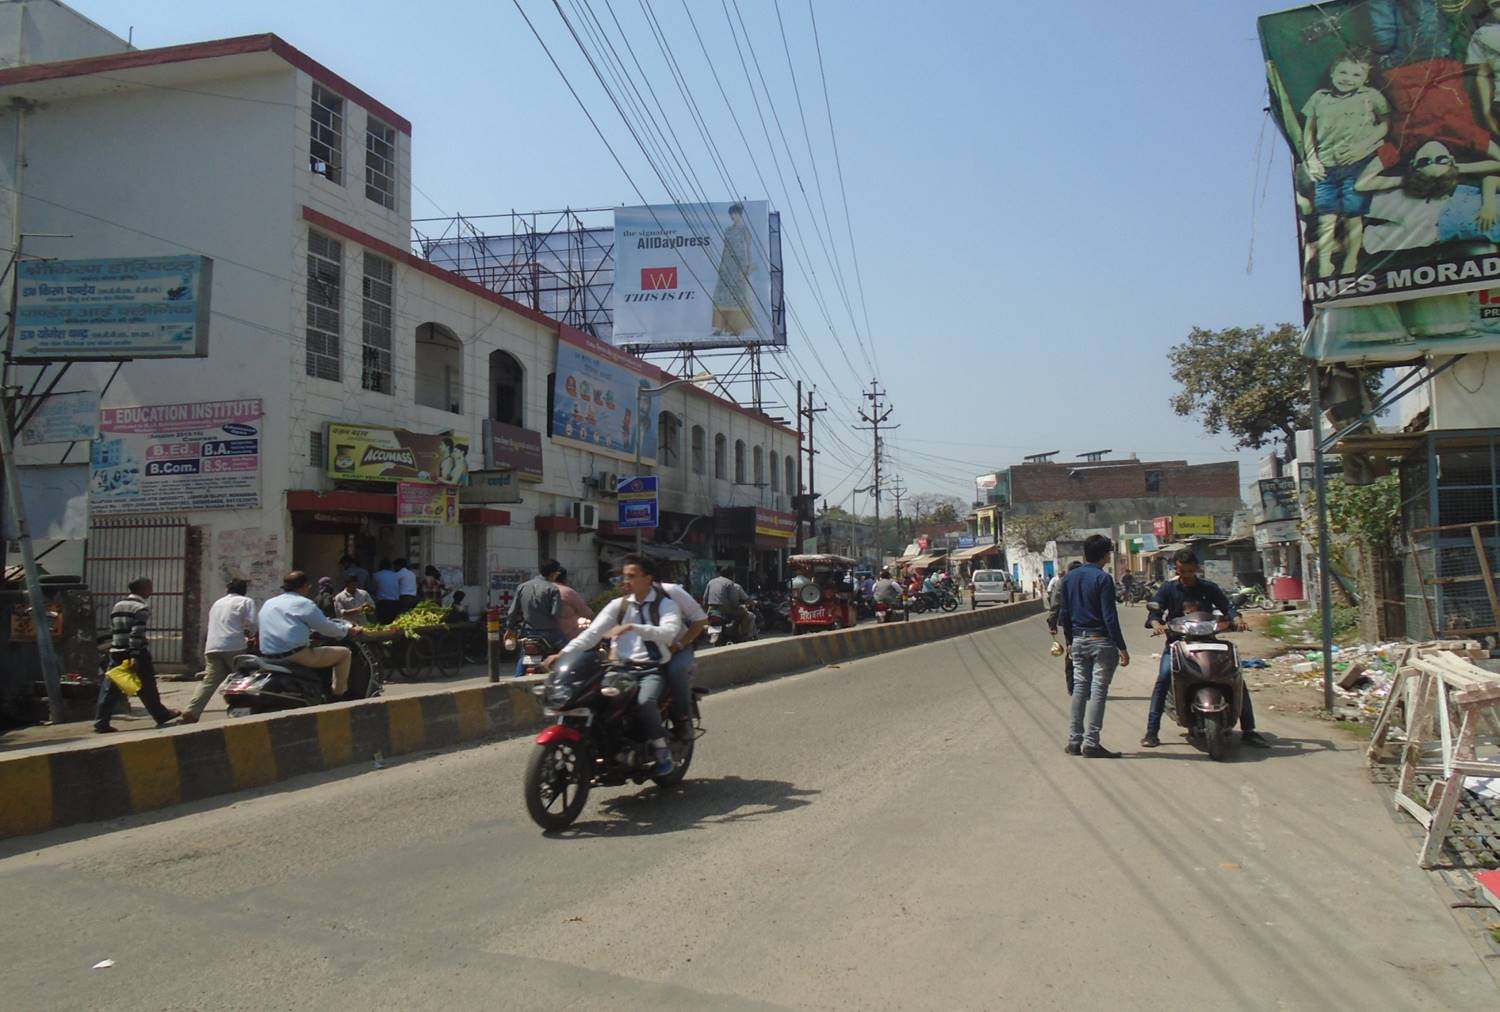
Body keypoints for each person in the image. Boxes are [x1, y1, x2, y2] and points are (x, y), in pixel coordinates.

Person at [557, 554, 685, 775]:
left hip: (650, 670)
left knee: (645, 703)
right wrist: (563, 654)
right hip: (618, 669)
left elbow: (669, 633)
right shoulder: (618, 606)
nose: (626, 581)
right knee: (589, 699)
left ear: (648, 578)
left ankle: (662, 752)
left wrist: (634, 628)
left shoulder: (666, 605)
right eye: (624, 576)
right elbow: (592, 634)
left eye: (632, 576)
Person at [1142, 548, 1269, 750]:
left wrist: (1237, 618)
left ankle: (1249, 730)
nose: (1186, 576)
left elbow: (1227, 607)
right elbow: (1155, 611)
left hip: (1209, 642)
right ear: (1176, 569)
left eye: (1190, 572)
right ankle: (1151, 731)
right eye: (1182, 572)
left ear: (1197, 569)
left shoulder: (1209, 588)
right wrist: (1156, 623)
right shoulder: (1168, 588)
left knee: (1235, 677)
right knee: (1164, 677)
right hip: (1178, 644)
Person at [1300, 48, 1390, 279]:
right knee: (1326, 218)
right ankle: (1324, 265)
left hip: (1358, 164)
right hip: (1326, 167)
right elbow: (1308, 131)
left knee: (1352, 215)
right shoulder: (1319, 98)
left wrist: (1363, 146)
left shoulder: (1371, 96)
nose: (1347, 79)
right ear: (1332, 73)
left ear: (1365, 79)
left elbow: (1386, 124)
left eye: (1355, 75)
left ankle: (1351, 262)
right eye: (1343, 72)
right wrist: (1312, 160)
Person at [1057, 535, 1130, 758]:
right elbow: (1109, 616)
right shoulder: (1103, 579)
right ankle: (1091, 743)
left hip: (1078, 640)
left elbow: (1064, 614)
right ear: (1105, 555)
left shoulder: (1069, 578)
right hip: (1101, 641)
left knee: (1080, 689)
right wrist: (1122, 647)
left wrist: (1070, 641)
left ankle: (1074, 741)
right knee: (1098, 692)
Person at [95, 577, 181, 732]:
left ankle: (101, 721)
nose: (151, 591)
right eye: (150, 587)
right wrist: (134, 655)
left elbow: (115, 629)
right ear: (144, 589)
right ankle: (160, 714)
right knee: (147, 685)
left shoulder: (118, 605)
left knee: (111, 688)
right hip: (136, 653)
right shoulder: (141, 608)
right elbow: (136, 633)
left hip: (116, 651)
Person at [258, 570, 358, 699]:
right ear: (304, 586)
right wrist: (347, 630)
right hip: (295, 655)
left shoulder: (269, 602)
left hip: (268, 656)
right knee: (344, 653)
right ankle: (338, 696)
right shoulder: (304, 603)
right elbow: (326, 627)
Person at [181, 578, 258, 724]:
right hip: (234, 646)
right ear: (244, 590)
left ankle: (192, 710)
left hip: (212, 646)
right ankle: (241, 711)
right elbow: (253, 623)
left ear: (227, 590)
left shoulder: (217, 603)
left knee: (209, 681)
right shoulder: (246, 601)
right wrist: (251, 635)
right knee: (241, 679)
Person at [658, 576, 709, 742]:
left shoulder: (670, 592)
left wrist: (679, 645)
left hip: (678, 650)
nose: (624, 582)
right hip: (644, 656)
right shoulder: (623, 602)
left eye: (632, 576)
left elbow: (700, 619)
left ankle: (683, 722)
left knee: (676, 670)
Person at [507, 559, 567, 675]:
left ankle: (518, 677)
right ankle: (564, 677)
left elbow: (513, 611)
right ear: (554, 574)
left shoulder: (522, 587)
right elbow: (556, 613)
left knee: (524, 655)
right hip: (550, 633)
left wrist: (509, 628)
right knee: (569, 651)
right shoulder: (552, 589)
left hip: (528, 632)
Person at [711, 202, 754, 336]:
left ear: (739, 214)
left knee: (738, 297)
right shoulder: (728, 230)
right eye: (731, 215)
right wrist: (721, 265)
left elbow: (748, 249)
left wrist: (748, 265)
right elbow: (725, 248)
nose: (733, 217)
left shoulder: (745, 231)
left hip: (740, 265)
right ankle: (719, 327)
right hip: (727, 265)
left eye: (735, 214)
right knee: (721, 296)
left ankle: (737, 327)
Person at [1046, 560, 1084, 695]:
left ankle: (1072, 687)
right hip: (1089, 623)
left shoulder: (1063, 582)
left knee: (1071, 651)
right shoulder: (1088, 579)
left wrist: (1052, 623)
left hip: (1069, 623)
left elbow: (1055, 604)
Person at [703, 566, 753, 641]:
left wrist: (706, 610)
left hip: (712, 610)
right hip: (726, 610)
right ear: (731, 575)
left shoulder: (711, 582)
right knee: (747, 614)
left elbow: (705, 598)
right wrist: (739, 607)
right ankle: (745, 635)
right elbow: (733, 601)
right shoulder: (729, 583)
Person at [551, 566, 595, 633]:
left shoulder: (539, 591)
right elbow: (587, 613)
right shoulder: (567, 592)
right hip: (568, 634)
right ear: (564, 578)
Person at [373, 559, 401, 624]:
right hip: (395, 601)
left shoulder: (376, 575)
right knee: (393, 622)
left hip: (383, 602)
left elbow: (373, 588)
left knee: (382, 621)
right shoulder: (396, 575)